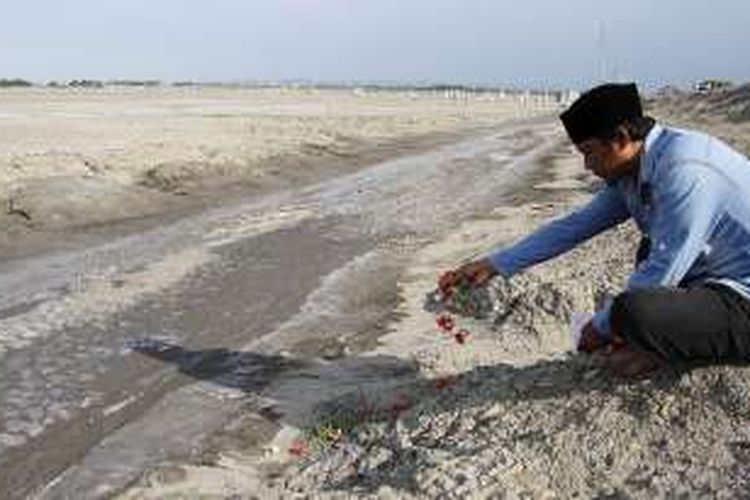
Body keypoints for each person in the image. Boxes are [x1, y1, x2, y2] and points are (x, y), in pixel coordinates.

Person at [439, 82, 750, 376]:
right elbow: (574, 226)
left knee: (632, 311)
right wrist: (496, 263)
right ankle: (665, 342)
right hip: (718, 278)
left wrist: (599, 328)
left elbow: (663, 270)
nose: (588, 166)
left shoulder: (685, 171)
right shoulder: (636, 168)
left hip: (743, 296)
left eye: (589, 152)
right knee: (644, 262)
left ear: (620, 139)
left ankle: (670, 349)